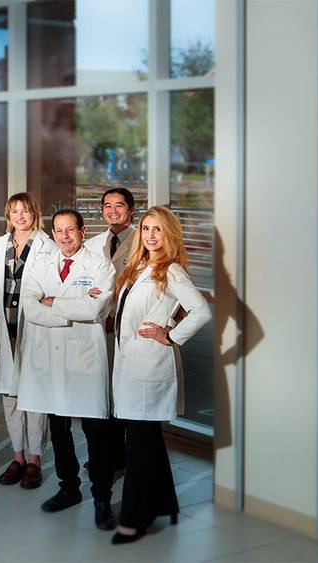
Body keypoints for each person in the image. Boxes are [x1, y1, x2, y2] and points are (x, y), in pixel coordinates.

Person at [110, 206, 211, 544]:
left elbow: (201, 311)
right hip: (131, 364)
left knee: (138, 446)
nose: (151, 236)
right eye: (146, 228)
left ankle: (132, 519)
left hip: (149, 366)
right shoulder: (138, 267)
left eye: (158, 230)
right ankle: (165, 503)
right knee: (148, 439)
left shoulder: (172, 270)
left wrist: (171, 336)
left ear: (169, 235)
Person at [18, 209, 119, 531]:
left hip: (84, 359)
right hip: (50, 358)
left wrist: (52, 302)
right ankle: (69, 488)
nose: (64, 236)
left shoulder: (100, 265)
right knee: (59, 431)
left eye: (70, 230)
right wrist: (73, 306)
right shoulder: (41, 264)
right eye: (59, 230)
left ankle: (102, 498)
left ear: (82, 231)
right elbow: (29, 306)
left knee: (95, 433)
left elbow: (96, 308)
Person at [0, 192, 56, 487]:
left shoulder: (47, 246)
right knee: (11, 397)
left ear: (34, 214)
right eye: (15, 211)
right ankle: (17, 457)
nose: (20, 216)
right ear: (8, 215)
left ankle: (34, 459)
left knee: (35, 396)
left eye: (26, 210)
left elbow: (52, 287)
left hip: (33, 329)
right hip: (7, 329)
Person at [84, 187, 138, 474]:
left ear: (131, 210)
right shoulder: (93, 244)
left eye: (119, 205)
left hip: (126, 328)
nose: (112, 211)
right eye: (107, 205)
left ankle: (120, 456)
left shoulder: (143, 242)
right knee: (100, 392)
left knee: (122, 393)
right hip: (98, 326)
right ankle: (103, 454)